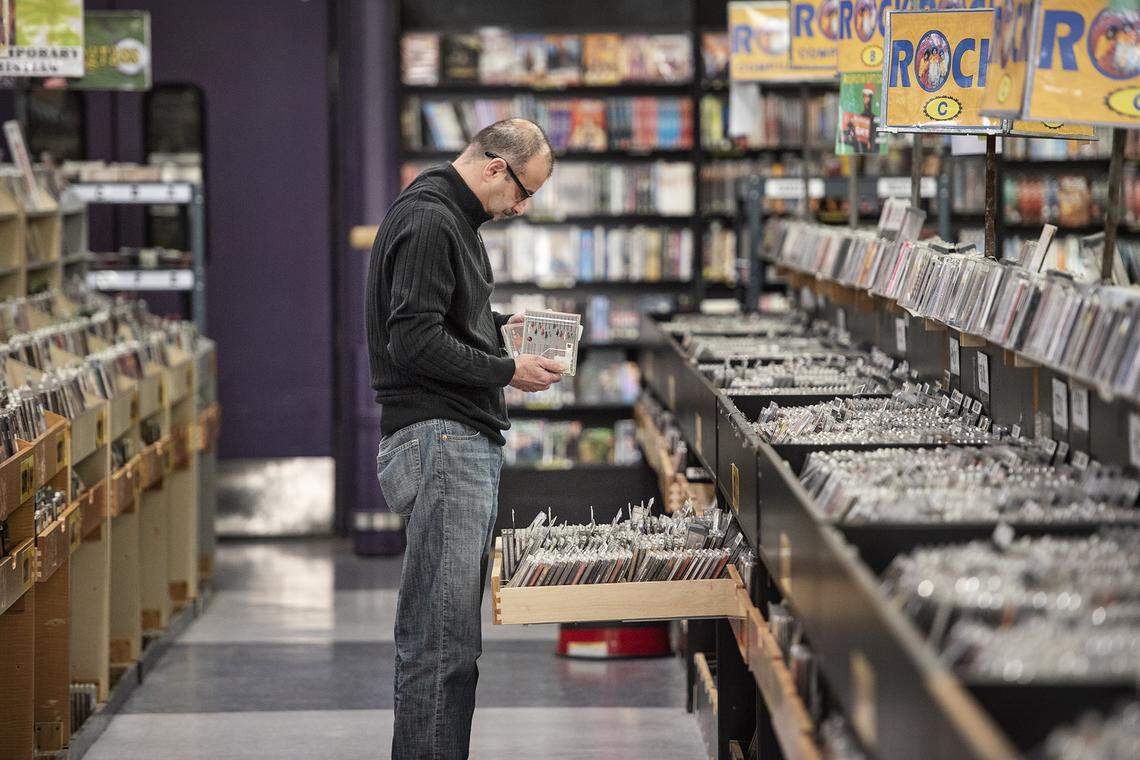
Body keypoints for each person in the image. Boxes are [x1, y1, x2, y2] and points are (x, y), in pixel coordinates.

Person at [366, 118, 563, 759]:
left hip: (448, 441)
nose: (523, 207)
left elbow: (442, 318)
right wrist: (507, 370)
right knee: (441, 643)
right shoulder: (430, 220)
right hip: (442, 442)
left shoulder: (449, 218)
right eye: (522, 191)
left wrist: (501, 326)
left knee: (452, 641)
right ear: (494, 167)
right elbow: (415, 339)